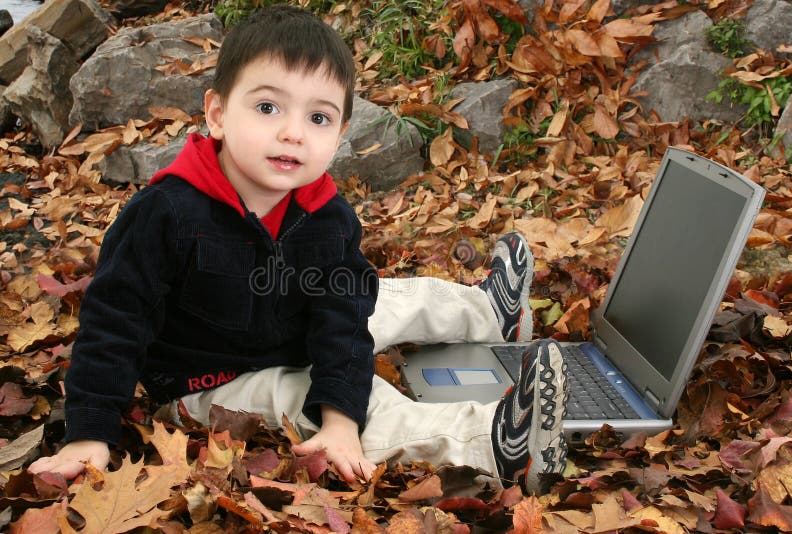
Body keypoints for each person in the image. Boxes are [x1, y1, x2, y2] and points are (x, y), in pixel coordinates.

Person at [28, 5, 568, 495]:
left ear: (340, 134)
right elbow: (114, 323)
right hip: (211, 383)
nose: (293, 133)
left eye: (318, 118)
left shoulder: (328, 217)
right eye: (268, 107)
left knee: (376, 299)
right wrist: (90, 431)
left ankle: (491, 314)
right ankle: (492, 443)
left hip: (290, 332)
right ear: (216, 114)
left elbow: (341, 320)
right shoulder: (166, 213)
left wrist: (341, 398)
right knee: (317, 400)